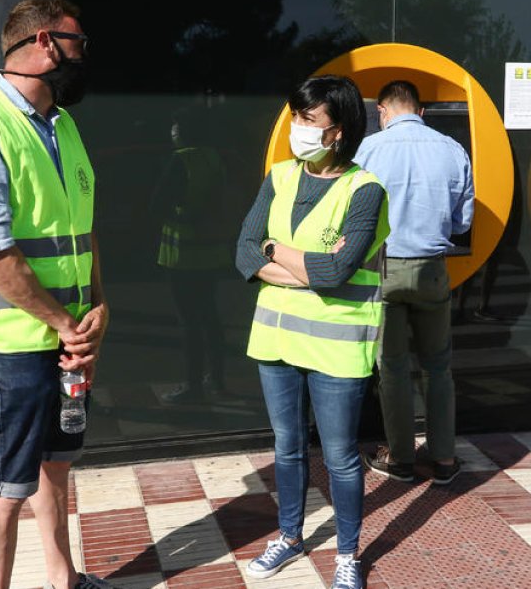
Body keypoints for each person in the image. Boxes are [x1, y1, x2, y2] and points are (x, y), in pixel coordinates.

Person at [0, 0, 111, 589]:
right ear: (45, 44)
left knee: (56, 465)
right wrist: (65, 324)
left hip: (66, 336)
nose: (85, 56)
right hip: (7, 342)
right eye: (79, 43)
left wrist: (97, 307)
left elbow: (82, 227)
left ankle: (64, 580)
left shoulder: (62, 124)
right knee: (8, 484)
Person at [235, 75, 388, 589]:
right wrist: (301, 265)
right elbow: (243, 252)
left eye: (308, 119)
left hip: (338, 345)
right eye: (296, 117)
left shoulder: (365, 190)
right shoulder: (279, 176)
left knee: (341, 457)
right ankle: (289, 536)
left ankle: (347, 553)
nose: (296, 128)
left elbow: (337, 272)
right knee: (287, 447)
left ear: (337, 131)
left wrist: (273, 250)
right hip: (276, 339)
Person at [354, 80, 474, 485]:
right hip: (432, 269)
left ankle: (401, 459)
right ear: (421, 112)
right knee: (438, 367)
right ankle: (444, 460)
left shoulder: (368, 149)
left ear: (382, 111)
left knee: (391, 368)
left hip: (382, 268)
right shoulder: (452, 149)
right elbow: (463, 222)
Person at [152, 111, 228, 404]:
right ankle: (217, 380)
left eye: (175, 127)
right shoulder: (213, 157)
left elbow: (157, 204)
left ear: (182, 131)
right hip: (212, 252)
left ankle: (192, 385)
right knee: (210, 316)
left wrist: (178, 214)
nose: (172, 131)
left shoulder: (180, 160)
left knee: (189, 322)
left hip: (182, 255)